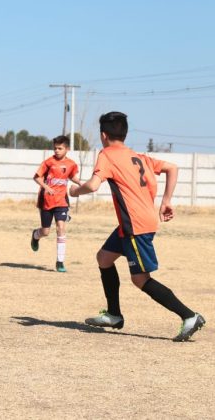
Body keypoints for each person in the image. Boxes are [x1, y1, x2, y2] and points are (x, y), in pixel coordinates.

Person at [70, 111, 205, 341]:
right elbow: (172, 167)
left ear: (103, 135)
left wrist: (75, 190)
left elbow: (93, 186)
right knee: (104, 258)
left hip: (136, 225)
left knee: (140, 279)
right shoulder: (138, 156)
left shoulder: (107, 155)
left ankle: (189, 316)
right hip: (133, 222)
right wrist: (166, 201)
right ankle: (114, 314)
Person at [30, 135, 80, 272]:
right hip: (46, 200)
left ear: (67, 149)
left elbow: (72, 176)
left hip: (61, 201)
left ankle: (60, 261)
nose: (57, 151)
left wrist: (81, 183)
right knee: (45, 231)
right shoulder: (48, 162)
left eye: (60, 148)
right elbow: (36, 177)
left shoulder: (71, 164)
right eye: (55, 148)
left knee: (61, 227)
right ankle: (35, 235)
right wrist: (47, 187)